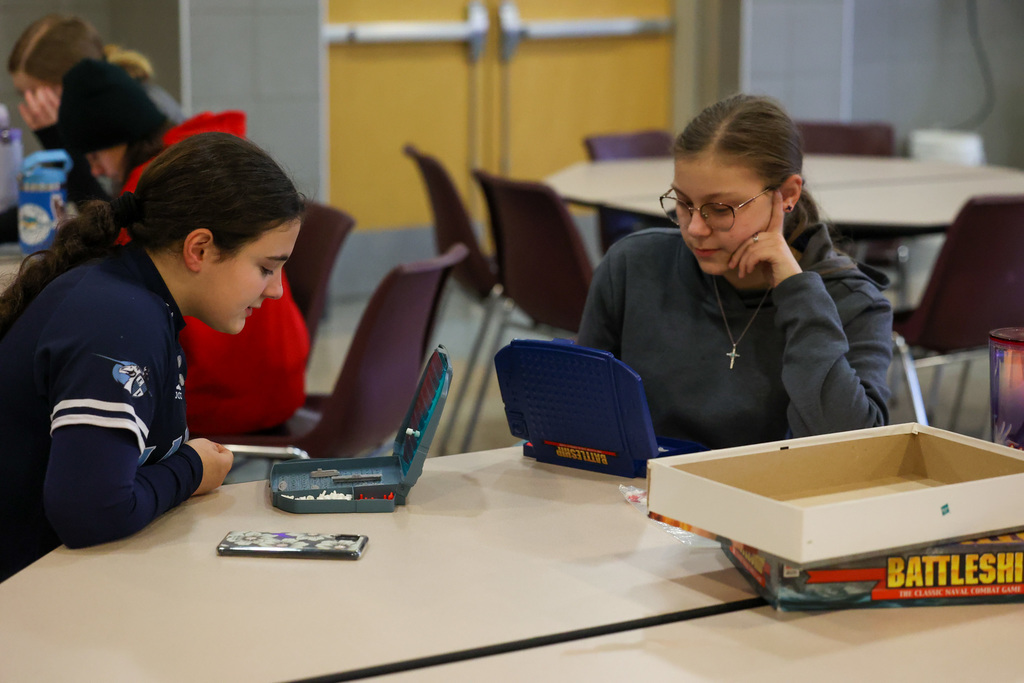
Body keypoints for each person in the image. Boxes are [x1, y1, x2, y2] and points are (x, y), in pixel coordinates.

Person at [0, 132, 304, 582]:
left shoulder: (140, 302)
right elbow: (92, 511)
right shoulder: (121, 319)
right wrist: (192, 468)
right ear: (199, 249)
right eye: (266, 268)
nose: (276, 290)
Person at [577, 94, 893, 450]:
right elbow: (580, 411)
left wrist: (798, 292)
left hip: (774, 485)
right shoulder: (633, 265)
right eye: (684, 203)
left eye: (720, 208)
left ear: (788, 194)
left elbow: (855, 451)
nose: (695, 228)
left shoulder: (853, 302)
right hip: (642, 482)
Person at [55, 58, 310, 435]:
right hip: (283, 382)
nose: (94, 171)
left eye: (95, 156)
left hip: (229, 397)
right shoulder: (217, 160)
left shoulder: (156, 193)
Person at [2, 13, 185, 241]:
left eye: (41, 95)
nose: (33, 107)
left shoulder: (136, 114)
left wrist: (55, 139)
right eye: (25, 95)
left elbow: (109, 221)